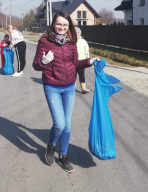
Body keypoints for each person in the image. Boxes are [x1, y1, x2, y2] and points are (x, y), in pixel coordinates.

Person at [32, 11, 99, 173]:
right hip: (52, 86)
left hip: (69, 87)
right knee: (59, 124)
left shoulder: (71, 42)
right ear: (53, 24)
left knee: (67, 126)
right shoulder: (44, 41)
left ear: (69, 26)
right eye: (59, 24)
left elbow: (75, 62)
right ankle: (51, 146)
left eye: (65, 25)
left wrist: (90, 61)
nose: (62, 27)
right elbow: (35, 65)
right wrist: (44, 61)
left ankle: (63, 155)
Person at [75, 27, 90, 94]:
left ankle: (83, 89)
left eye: (78, 32)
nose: (77, 33)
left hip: (82, 61)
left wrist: (88, 59)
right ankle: (72, 89)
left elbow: (86, 51)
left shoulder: (83, 42)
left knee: (81, 75)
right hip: (73, 62)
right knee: (73, 76)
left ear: (80, 33)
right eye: (75, 32)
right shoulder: (70, 41)